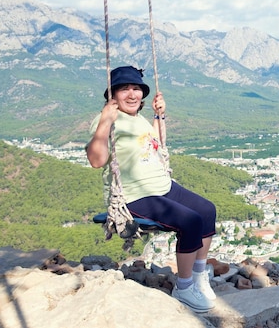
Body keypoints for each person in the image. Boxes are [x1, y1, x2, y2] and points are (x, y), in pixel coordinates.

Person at [86, 65, 217, 313]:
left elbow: (151, 141)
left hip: (162, 187)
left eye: (136, 88)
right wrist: (104, 121)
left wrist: (159, 115)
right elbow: (96, 160)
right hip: (136, 196)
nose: (132, 94)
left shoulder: (139, 118)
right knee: (190, 221)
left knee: (207, 210)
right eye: (124, 89)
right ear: (112, 95)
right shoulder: (107, 121)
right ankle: (185, 287)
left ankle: (199, 276)